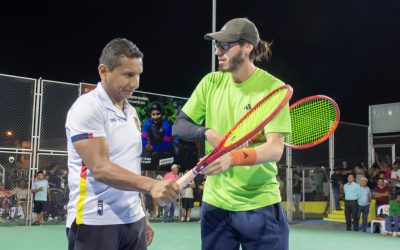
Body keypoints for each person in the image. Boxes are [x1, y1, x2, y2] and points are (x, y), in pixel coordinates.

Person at [172, 18, 291, 250]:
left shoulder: (273, 89)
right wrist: (205, 131)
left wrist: (232, 158)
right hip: (216, 206)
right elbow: (180, 125)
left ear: (247, 47)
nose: (218, 51)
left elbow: (275, 149)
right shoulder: (211, 82)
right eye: (217, 45)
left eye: (226, 45)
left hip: (260, 205)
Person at [65, 38, 179, 250]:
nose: (135, 83)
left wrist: (142, 215)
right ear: (103, 71)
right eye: (128, 75)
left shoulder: (132, 112)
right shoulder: (87, 107)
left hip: (133, 220)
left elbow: (131, 166)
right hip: (95, 221)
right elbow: (100, 168)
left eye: (138, 75)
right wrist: (152, 185)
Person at [141, 102, 173, 170]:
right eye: (153, 114)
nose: (155, 117)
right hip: (151, 149)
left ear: (161, 114)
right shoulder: (147, 124)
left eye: (158, 114)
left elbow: (166, 145)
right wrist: (145, 145)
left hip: (163, 150)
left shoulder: (167, 126)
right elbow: (143, 139)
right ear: (150, 115)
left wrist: (153, 147)